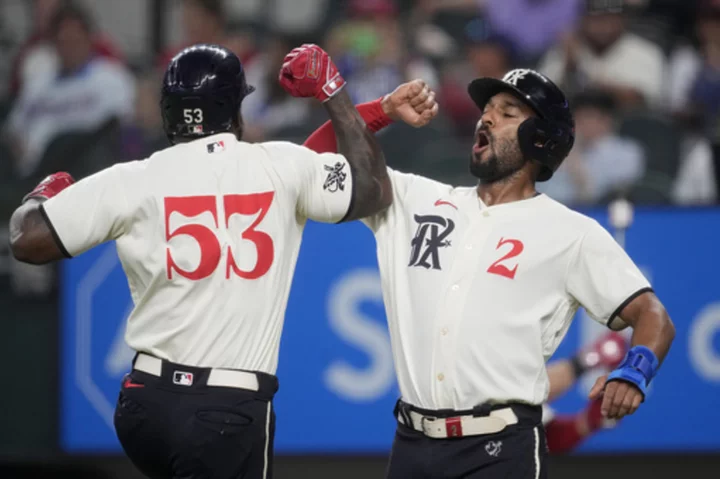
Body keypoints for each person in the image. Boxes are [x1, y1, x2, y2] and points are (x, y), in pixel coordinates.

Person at [7, 43, 431, 479]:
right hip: (225, 409)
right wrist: (335, 89)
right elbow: (369, 189)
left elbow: (27, 239)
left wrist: (43, 196)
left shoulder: (131, 179)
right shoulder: (275, 167)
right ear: (233, 109)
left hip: (142, 405)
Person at [296, 67, 675, 478]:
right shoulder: (414, 199)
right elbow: (313, 165)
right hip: (412, 446)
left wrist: (635, 372)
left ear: (541, 140)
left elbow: (653, 316)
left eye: (508, 112)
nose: (487, 118)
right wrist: (382, 110)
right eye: (488, 109)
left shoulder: (572, 233)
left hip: (500, 452)